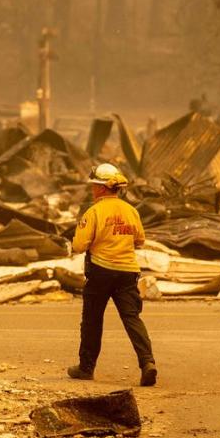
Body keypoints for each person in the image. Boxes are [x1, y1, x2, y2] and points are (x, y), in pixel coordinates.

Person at [67, 163, 157, 386]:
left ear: (101, 188)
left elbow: (79, 245)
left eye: (94, 185)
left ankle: (86, 368)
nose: (92, 190)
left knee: (92, 320)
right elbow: (139, 240)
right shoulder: (131, 211)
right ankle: (148, 363)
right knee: (131, 318)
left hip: (100, 272)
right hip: (127, 272)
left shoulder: (94, 212)